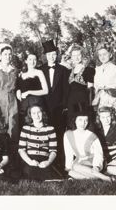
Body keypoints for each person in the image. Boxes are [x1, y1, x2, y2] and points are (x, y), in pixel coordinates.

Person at [41, 39, 70, 174]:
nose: (51, 57)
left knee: (58, 136)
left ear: (56, 55)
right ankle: (46, 164)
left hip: (59, 109)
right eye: (49, 55)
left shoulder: (64, 70)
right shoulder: (40, 70)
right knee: (45, 136)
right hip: (45, 109)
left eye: (53, 54)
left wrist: (64, 107)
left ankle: (60, 163)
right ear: (45, 56)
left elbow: (66, 90)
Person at [63, 109, 112, 181]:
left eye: (86, 120)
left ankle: (104, 178)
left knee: (76, 167)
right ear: (74, 120)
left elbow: (99, 154)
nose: (83, 123)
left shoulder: (92, 135)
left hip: (93, 163)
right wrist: (68, 167)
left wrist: (96, 166)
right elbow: (68, 152)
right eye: (80, 120)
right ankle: (96, 179)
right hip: (78, 162)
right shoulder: (68, 134)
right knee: (71, 172)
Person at [18, 105, 57, 181]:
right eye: (34, 113)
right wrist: (30, 162)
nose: (37, 115)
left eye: (39, 112)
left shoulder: (50, 129)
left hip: (44, 159)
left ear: (43, 113)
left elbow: (53, 151)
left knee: (48, 176)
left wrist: (48, 162)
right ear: (30, 115)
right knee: (29, 174)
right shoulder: (26, 128)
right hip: (30, 158)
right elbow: (21, 150)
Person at [0, 43, 19, 140]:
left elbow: (18, 86)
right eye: (5, 54)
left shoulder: (15, 70)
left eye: (10, 54)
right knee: (0, 126)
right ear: (0, 55)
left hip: (12, 102)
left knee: (13, 126)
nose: (8, 56)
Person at [16, 50, 48, 127]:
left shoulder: (39, 72)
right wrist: (18, 91)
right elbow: (18, 87)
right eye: (30, 59)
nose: (32, 61)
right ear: (26, 61)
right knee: (25, 126)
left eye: (34, 59)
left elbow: (45, 91)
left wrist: (29, 92)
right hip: (24, 106)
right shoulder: (21, 75)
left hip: (36, 103)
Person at [66, 44, 95, 126]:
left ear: (82, 56)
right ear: (71, 57)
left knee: (83, 123)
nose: (76, 57)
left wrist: (89, 105)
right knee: (72, 123)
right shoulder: (69, 71)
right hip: (71, 102)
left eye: (78, 54)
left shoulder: (89, 70)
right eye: (74, 55)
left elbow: (90, 89)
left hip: (83, 101)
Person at [93, 47, 116, 117]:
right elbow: (96, 88)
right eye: (100, 55)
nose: (102, 57)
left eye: (104, 54)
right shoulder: (96, 70)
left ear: (110, 55)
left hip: (112, 100)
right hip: (100, 101)